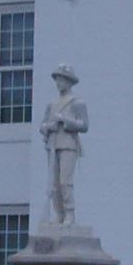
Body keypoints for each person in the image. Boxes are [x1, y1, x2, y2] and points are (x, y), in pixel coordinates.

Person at [39, 64, 87, 226]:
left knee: (65, 181)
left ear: (69, 82)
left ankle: (69, 214)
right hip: (52, 145)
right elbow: (42, 126)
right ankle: (58, 214)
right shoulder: (51, 104)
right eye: (57, 80)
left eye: (61, 80)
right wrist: (48, 127)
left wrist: (66, 121)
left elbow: (84, 125)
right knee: (53, 183)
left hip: (68, 145)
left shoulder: (77, 103)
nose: (58, 83)